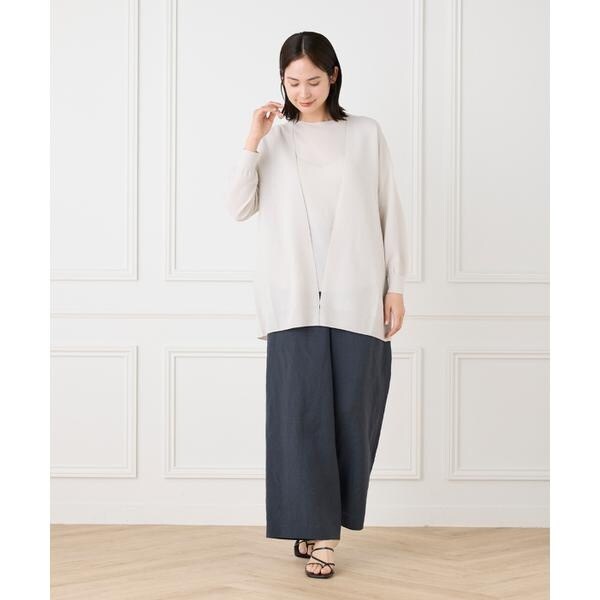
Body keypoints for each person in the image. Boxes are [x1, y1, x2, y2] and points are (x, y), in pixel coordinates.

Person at [226, 31, 408, 579]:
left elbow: (389, 210)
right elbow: (239, 208)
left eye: (312, 80)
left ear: (333, 76)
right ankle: (320, 534)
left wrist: (396, 286)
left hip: (358, 296)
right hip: (292, 302)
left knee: (353, 416)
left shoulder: (365, 134)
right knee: (299, 420)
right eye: (292, 82)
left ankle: (325, 524)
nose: (302, 92)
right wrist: (252, 141)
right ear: (281, 82)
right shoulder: (275, 139)